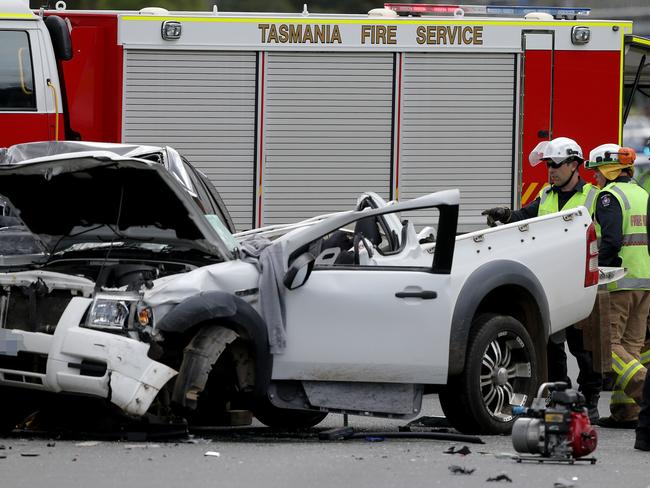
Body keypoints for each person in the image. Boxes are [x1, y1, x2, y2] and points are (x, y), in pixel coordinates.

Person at [482, 137, 602, 421]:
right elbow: (527, 217)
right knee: (552, 343)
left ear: (575, 165)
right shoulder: (547, 195)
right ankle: (560, 394)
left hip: (583, 279)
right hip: (555, 281)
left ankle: (591, 399)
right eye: (548, 165)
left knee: (584, 345)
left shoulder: (594, 196)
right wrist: (507, 215)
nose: (551, 170)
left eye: (556, 165)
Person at [584, 144, 650, 429]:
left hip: (618, 282)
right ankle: (627, 413)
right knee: (631, 347)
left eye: (597, 171)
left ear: (608, 170)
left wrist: (599, 273)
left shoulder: (609, 197)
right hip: (644, 282)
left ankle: (647, 392)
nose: (595, 178)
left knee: (608, 347)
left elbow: (609, 241)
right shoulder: (641, 193)